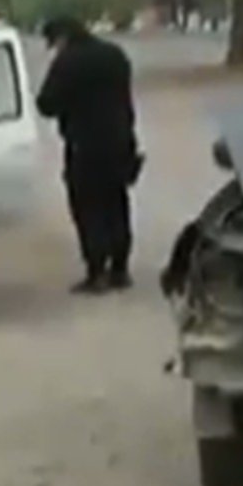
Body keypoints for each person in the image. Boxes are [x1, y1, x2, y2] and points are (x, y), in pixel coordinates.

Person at [36, 16, 143, 294]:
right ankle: (120, 269)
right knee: (116, 203)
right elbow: (126, 99)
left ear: (61, 37)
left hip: (84, 145)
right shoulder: (115, 55)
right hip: (120, 140)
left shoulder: (67, 63)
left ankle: (96, 272)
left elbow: (46, 104)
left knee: (88, 208)